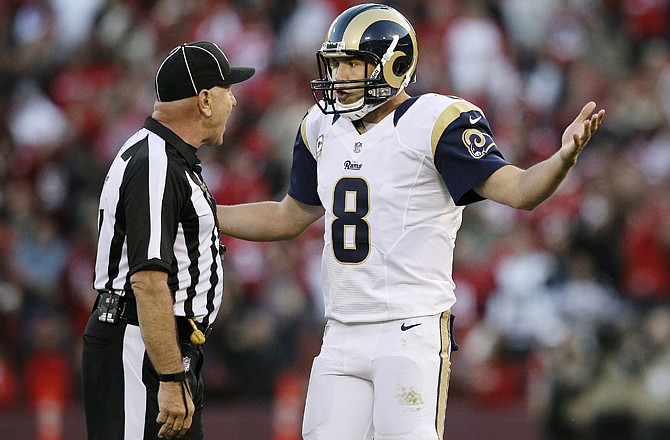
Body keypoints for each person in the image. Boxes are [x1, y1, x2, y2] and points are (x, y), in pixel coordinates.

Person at [217, 3, 605, 439]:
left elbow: (518, 190)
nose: (340, 77)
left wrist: (561, 159)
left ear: (395, 64)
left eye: (353, 65)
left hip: (409, 327)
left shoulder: (435, 121)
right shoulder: (319, 126)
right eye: (336, 64)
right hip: (341, 329)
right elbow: (289, 216)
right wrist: (209, 213)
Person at [82, 41, 254, 439]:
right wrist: (171, 376)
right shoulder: (155, 164)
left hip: (155, 346)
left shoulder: (163, 157)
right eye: (229, 91)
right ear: (205, 100)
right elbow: (147, 279)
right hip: (140, 344)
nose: (235, 102)